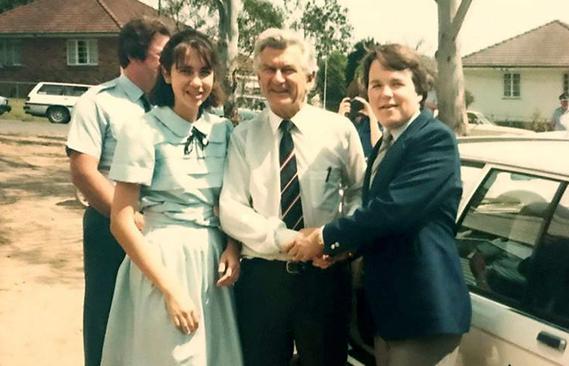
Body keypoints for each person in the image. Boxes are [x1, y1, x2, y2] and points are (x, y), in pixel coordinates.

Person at [287, 43, 472, 366]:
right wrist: (345, 251)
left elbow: (393, 210)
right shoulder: (386, 143)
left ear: (419, 91)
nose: (385, 93)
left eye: (396, 84)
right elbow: (383, 225)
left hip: (423, 313)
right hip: (388, 315)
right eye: (376, 85)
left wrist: (324, 236)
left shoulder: (435, 140)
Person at [218, 28, 366, 366]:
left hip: (325, 274)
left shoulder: (340, 131)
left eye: (288, 69)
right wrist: (286, 239)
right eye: (269, 69)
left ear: (310, 76)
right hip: (263, 281)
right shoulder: (244, 136)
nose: (278, 78)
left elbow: (361, 193)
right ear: (258, 75)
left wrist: (336, 242)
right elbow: (231, 208)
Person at [99, 29, 243, 366]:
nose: (197, 82)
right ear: (166, 74)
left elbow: (234, 202)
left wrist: (233, 247)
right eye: (185, 71)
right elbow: (121, 221)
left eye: (204, 72)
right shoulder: (143, 130)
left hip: (211, 269)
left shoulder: (224, 130)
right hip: (162, 262)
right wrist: (170, 289)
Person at [65, 17, 171, 366]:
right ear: (135, 56)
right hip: (110, 226)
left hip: (163, 227)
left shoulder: (168, 105)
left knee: (155, 315)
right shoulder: (98, 102)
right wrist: (129, 220)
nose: (169, 63)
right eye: (161, 55)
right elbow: (84, 171)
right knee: (106, 315)